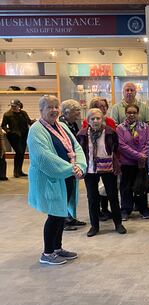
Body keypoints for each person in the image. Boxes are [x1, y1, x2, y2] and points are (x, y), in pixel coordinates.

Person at [28, 95, 86, 265]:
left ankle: (57, 248)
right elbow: (43, 157)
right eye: (49, 107)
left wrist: (80, 166)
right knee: (54, 215)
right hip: (51, 179)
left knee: (61, 214)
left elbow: (76, 147)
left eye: (56, 107)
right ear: (41, 110)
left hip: (66, 177)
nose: (53, 110)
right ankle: (47, 253)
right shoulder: (36, 130)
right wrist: (71, 168)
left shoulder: (61, 126)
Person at [76, 109, 126, 237]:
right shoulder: (82, 134)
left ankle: (118, 223)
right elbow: (80, 151)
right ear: (88, 120)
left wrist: (116, 163)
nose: (96, 121)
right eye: (92, 119)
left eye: (98, 118)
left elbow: (116, 148)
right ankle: (94, 226)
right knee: (92, 198)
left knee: (113, 196)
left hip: (108, 167)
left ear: (102, 118)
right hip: (91, 169)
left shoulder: (110, 132)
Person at [116, 104, 149, 220]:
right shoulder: (120, 128)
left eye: (134, 112)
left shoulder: (145, 127)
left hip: (141, 163)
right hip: (127, 163)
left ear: (138, 114)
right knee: (126, 187)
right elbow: (121, 145)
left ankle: (143, 209)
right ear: (125, 113)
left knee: (141, 186)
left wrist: (143, 155)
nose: (132, 115)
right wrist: (138, 155)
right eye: (129, 112)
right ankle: (126, 210)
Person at [59, 99, 86, 230]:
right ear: (67, 112)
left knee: (71, 192)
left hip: (73, 163)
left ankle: (69, 217)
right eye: (76, 110)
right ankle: (63, 221)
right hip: (64, 164)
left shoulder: (73, 124)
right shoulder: (60, 124)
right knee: (65, 192)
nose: (79, 113)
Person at [1, 99, 34, 178]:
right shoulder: (7, 114)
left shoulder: (24, 113)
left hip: (24, 135)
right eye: (12, 106)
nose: (13, 108)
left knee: (22, 153)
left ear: (19, 106)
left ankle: (19, 170)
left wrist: (35, 122)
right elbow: (3, 125)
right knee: (19, 152)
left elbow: (29, 122)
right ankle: (16, 171)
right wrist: (8, 131)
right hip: (13, 136)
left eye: (14, 106)